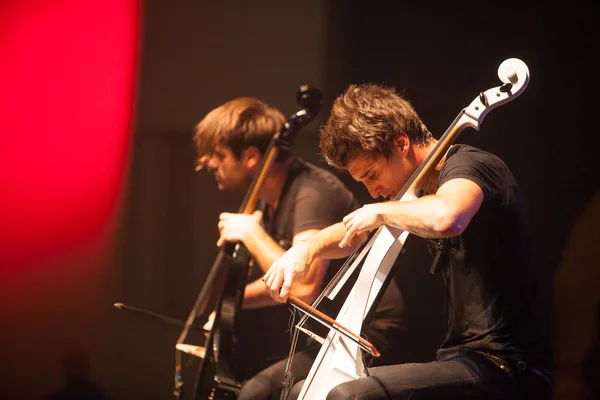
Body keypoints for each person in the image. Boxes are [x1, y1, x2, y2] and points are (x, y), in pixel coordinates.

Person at [264, 83, 555, 399]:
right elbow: (353, 234)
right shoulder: (415, 198)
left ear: (401, 143)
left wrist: (383, 212)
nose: (373, 191)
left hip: (508, 367)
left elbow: (447, 216)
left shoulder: (471, 166)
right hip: (461, 359)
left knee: (348, 397)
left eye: (372, 175)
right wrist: (307, 249)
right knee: (302, 392)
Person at [193, 96, 408, 399]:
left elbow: (304, 285)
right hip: (331, 329)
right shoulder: (271, 201)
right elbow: (279, 278)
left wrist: (252, 234)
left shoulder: (312, 192)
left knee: (257, 393)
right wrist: (226, 304)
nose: (209, 164)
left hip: (370, 328)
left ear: (252, 156)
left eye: (218, 154)